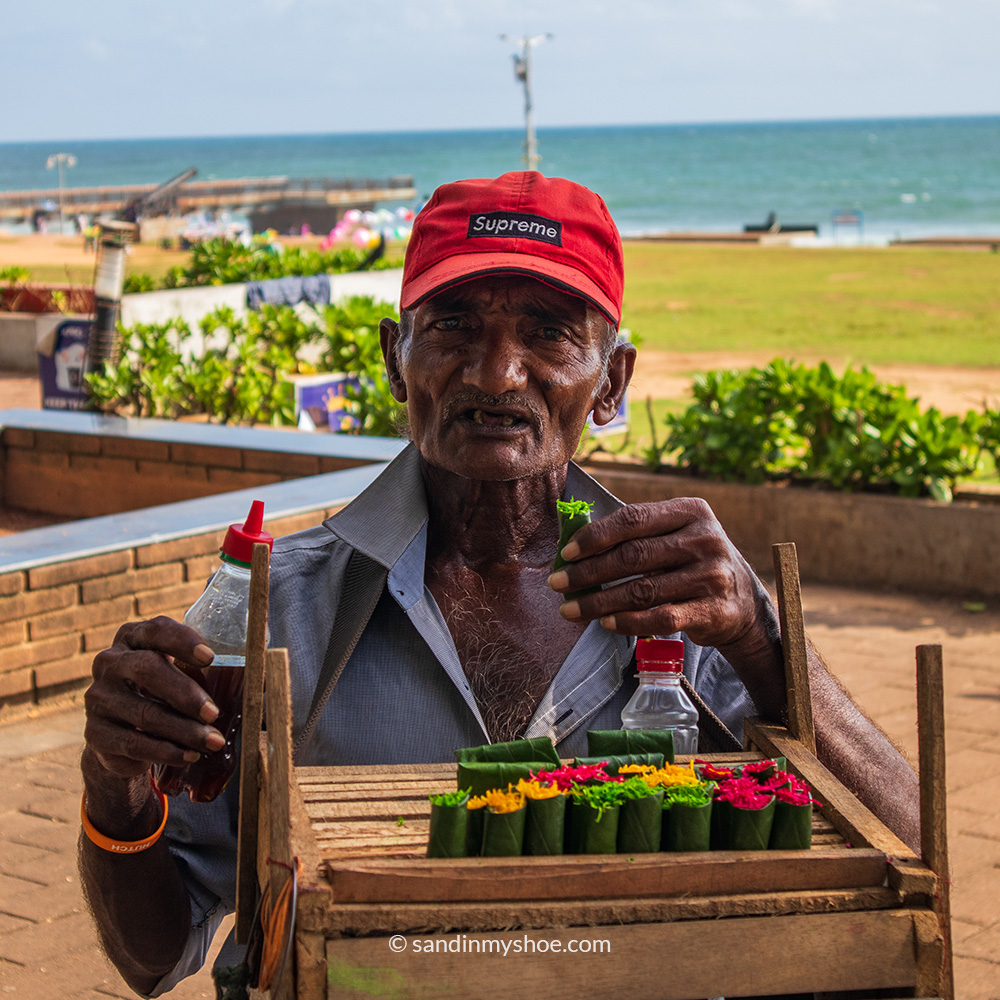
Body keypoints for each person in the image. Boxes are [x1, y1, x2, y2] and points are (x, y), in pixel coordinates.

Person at [79, 171, 920, 997]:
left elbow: (912, 855)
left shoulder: (691, 603)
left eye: (549, 332)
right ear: (394, 360)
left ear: (613, 382)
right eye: (452, 325)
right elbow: (154, 956)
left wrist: (762, 642)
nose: (495, 374)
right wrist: (114, 790)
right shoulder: (280, 609)